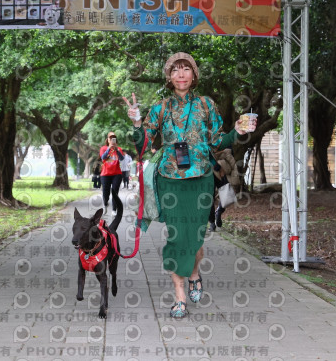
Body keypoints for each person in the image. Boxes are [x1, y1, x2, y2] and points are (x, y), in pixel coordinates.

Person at [123, 52, 257, 318]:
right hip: (170, 181)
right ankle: (180, 296)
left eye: (186, 69)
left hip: (200, 180)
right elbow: (143, 143)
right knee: (176, 236)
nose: (181, 74)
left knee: (194, 236)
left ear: (194, 75)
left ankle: (194, 273)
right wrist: (137, 122)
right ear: (169, 77)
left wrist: (238, 131)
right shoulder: (160, 108)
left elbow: (218, 142)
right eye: (175, 70)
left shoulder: (206, 104)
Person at [99, 132, 124, 227]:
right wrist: (109, 148)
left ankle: (114, 210)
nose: (112, 139)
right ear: (108, 140)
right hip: (105, 174)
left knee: (115, 191)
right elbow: (103, 158)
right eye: (111, 138)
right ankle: (105, 204)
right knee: (105, 192)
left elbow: (122, 159)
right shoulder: (103, 148)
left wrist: (116, 150)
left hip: (116, 173)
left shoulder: (119, 149)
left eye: (114, 138)